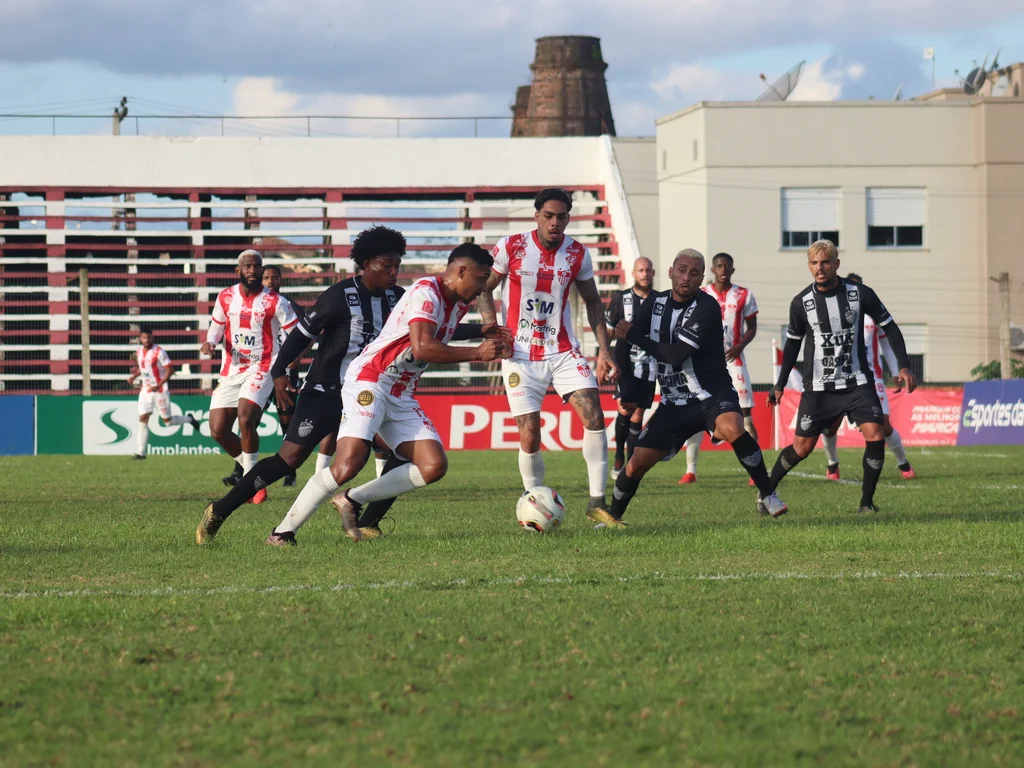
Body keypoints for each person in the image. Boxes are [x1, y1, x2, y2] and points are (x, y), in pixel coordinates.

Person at [264, 243, 512, 546]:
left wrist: (483, 332)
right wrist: (476, 353)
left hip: (400, 391)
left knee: (433, 466)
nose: (484, 285)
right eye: (481, 277)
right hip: (370, 380)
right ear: (461, 271)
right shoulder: (426, 292)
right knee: (348, 463)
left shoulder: (457, 303)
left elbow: (437, 336)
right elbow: (423, 347)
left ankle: (351, 500)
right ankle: (282, 533)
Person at [195, 227, 406, 544]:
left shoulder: (398, 298)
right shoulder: (340, 295)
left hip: (368, 392)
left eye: (397, 266)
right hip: (325, 392)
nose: (394, 272)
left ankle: (368, 521)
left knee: (400, 451)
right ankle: (219, 511)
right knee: (288, 460)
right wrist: (278, 374)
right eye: (387, 265)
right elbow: (300, 336)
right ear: (367, 263)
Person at [475, 188, 621, 528]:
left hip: (563, 350)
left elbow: (594, 303)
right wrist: (490, 327)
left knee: (594, 415)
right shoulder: (511, 246)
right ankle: (533, 503)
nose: (555, 223)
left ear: (569, 217)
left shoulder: (578, 254)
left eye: (562, 217)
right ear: (536, 215)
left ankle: (597, 502)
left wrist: (605, 350)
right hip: (520, 354)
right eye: (549, 216)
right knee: (529, 432)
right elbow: (485, 287)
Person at [608, 249, 787, 522]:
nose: (686, 277)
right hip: (673, 403)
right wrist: (629, 388)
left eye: (693, 273)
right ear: (670, 271)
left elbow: (676, 354)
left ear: (701, 278)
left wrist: (633, 335)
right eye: (681, 270)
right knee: (636, 464)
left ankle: (768, 494)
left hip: (711, 395)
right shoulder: (654, 304)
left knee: (733, 428)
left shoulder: (706, 307)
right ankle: (612, 518)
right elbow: (623, 339)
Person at [768, 240, 917, 514]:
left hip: (858, 382)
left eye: (825, 262)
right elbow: (792, 344)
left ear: (836, 263)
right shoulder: (801, 303)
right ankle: (766, 492)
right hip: (819, 387)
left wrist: (903, 366)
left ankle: (866, 503)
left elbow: (890, 327)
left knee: (875, 434)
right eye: (814, 263)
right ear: (809, 266)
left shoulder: (860, 294)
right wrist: (779, 384)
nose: (820, 268)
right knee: (802, 448)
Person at [201, 249, 299, 504]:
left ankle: (251, 485)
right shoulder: (225, 297)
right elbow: (216, 328)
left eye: (257, 266)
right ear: (239, 270)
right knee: (218, 430)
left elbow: (296, 333)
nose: (253, 271)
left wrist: (288, 362)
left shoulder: (275, 301)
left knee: (245, 418)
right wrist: (209, 343)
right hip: (232, 368)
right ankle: (253, 475)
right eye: (248, 267)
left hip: (263, 366)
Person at [819, 273, 917, 481]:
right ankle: (832, 463)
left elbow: (887, 345)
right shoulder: (834, 313)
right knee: (830, 425)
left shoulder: (872, 315)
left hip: (871, 378)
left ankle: (903, 463)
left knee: (883, 424)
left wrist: (897, 370)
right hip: (839, 378)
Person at [679, 252, 760, 485]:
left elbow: (751, 328)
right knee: (697, 413)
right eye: (719, 266)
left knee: (745, 415)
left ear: (732, 270)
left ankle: (756, 471)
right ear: (712, 270)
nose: (723, 269)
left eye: (727, 266)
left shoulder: (744, 295)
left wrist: (739, 345)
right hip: (704, 365)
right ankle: (690, 470)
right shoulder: (701, 294)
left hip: (735, 363)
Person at [605, 257, 656, 480]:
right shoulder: (621, 298)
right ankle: (618, 457)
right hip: (625, 361)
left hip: (650, 364)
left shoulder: (660, 300)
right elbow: (607, 331)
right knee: (625, 409)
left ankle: (631, 463)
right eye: (640, 270)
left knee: (639, 413)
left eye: (648, 270)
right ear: (633, 274)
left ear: (653, 273)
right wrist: (603, 358)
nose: (644, 274)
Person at [260, 264, 307, 486]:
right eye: (266, 278)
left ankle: (290, 472)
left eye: (274, 278)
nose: (270, 281)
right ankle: (239, 469)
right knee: (249, 420)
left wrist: (298, 357)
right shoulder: (253, 307)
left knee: (286, 421)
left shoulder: (291, 306)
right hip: (259, 370)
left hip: (286, 373)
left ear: (280, 280)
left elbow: (308, 335)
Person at [127, 328, 199, 459]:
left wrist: (158, 385)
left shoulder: (159, 352)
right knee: (143, 419)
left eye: (149, 337)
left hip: (160, 391)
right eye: (144, 337)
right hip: (145, 390)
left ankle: (189, 419)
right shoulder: (139, 352)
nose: (146, 340)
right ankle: (141, 452)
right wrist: (134, 376)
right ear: (140, 338)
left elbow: (170, 370)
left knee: (167, 421)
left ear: (152, 337)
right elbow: (144, 370)